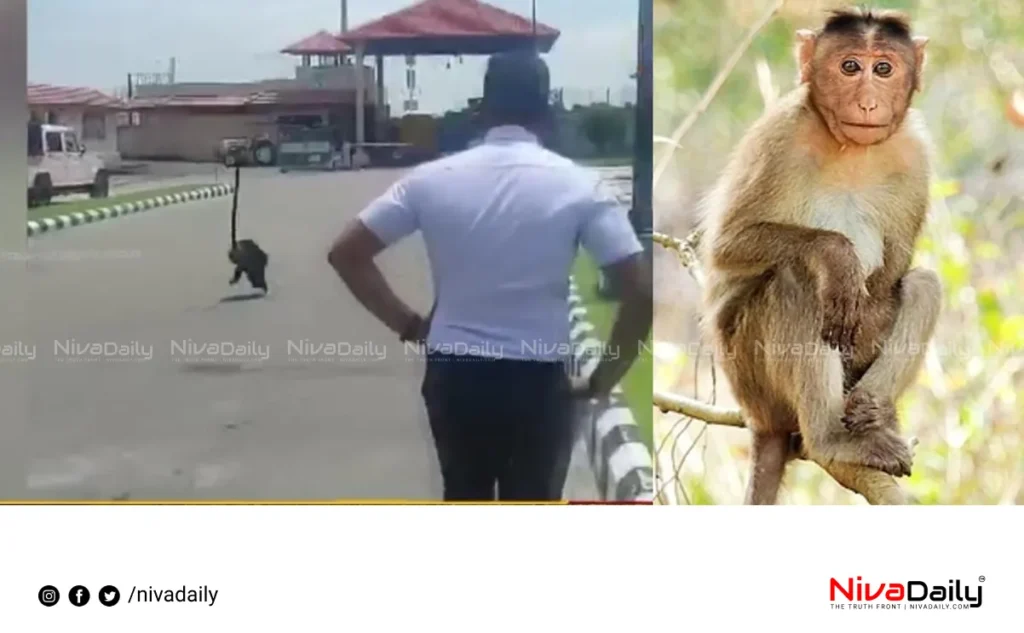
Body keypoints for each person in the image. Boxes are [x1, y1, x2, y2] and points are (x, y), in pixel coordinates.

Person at [327, 50, 652, 501]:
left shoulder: (431, 179)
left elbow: (347, 253)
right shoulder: (579, 185)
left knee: (465, 497)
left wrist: (409, 324)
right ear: (546, 109)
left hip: (455, 375)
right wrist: (603, 379)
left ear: (483, 109)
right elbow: (638, 290)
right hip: (538, 381)